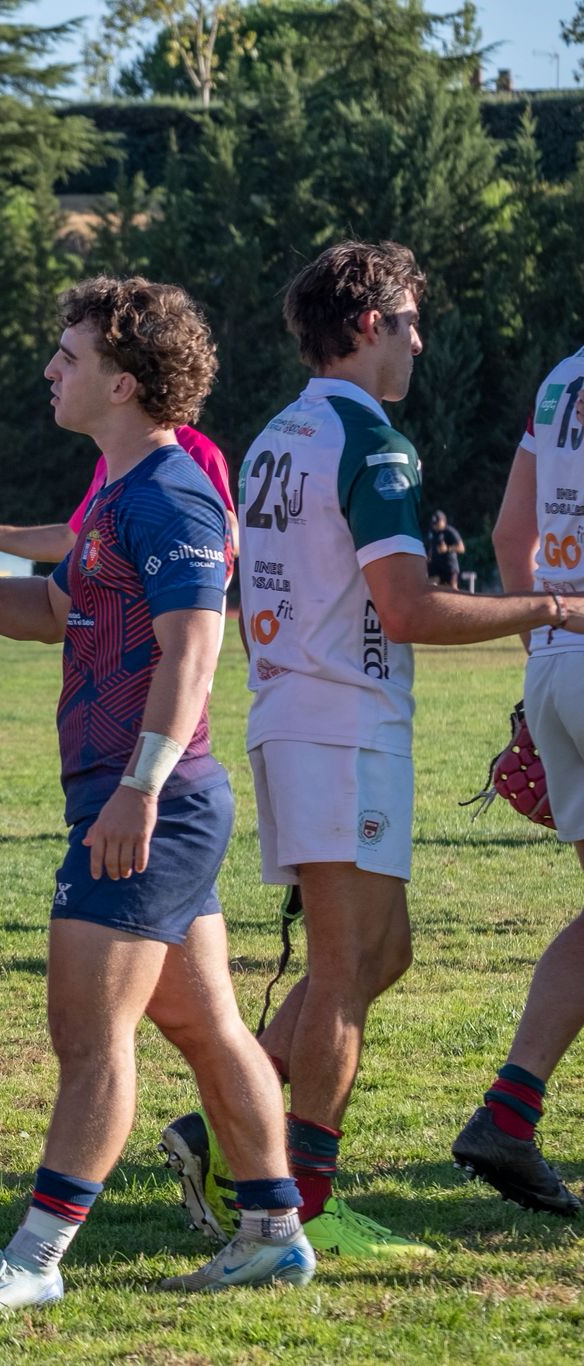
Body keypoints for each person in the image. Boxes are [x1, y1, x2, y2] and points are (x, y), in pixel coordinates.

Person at [165, 241, 584, 1259]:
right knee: (347, 968)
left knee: (379, 954)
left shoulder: (277, 429)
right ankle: (299, 1200)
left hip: (302, 711)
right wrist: (556, 604)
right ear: (366, 325)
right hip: (341, 723)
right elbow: (403, 608)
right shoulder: (371, 440)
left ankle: (217, 1128)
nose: (417, 340)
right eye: (405, 320)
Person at [0, 277, 314, 1311]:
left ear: (125, 381)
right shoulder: (111, 491)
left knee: (87, 1035)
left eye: (68, 355)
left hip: (153, 801)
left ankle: (34, 1260)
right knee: (204, 1024)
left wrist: (136, 790)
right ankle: (273, 1229)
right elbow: (53, 609)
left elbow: (194, 648)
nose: (51, 368)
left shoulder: (172, 491)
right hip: (141, 796)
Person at [448, 341, 584, 1217]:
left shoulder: (562, 375)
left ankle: (510, 1111)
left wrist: (547, 653)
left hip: (558, 650)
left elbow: (509, 534)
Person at [0, 423, 237, 565]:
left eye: (74, 360)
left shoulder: (195, 450)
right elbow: (72, 540)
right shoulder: (110, 458)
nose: (52, 372)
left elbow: (231, 537)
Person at [425, 509, 465, 589]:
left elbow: (461, 548)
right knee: (431, 587)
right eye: (434, 523)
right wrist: (428, 558)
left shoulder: (450, 531)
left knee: (453, 590)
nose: (435, 525)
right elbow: (432, 548)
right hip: (436, 567)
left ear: (443, 521)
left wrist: (447, 549)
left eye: (437, 523)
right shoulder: (433, 533)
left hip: (449, 567)